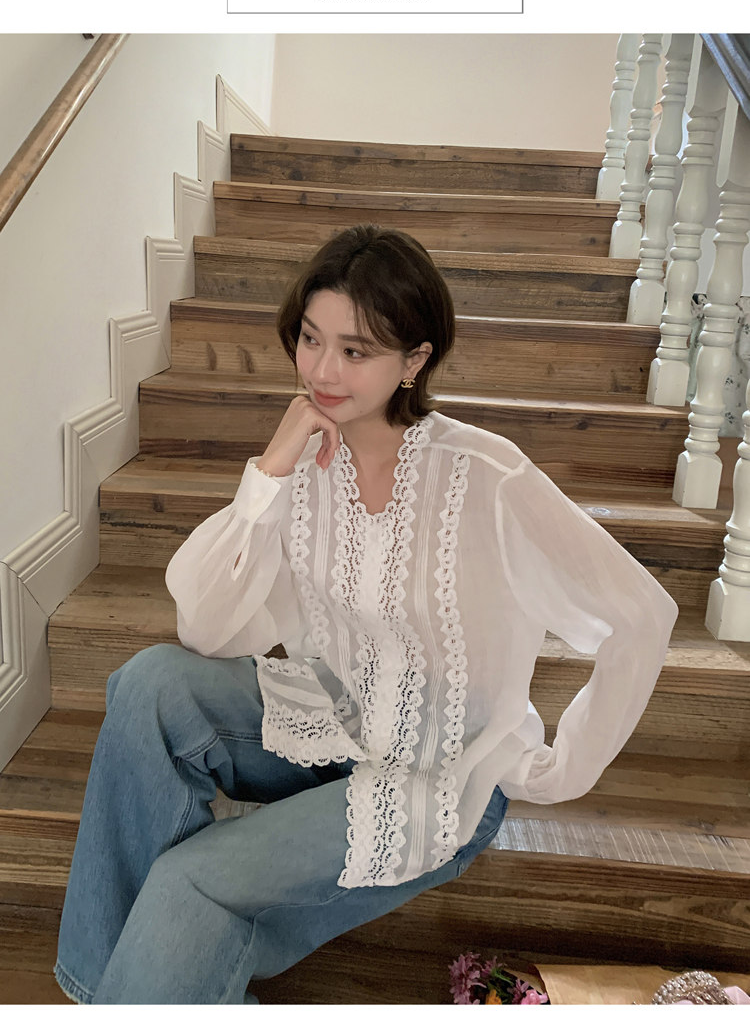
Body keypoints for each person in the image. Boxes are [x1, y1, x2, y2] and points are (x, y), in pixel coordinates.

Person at [54, 223, 679, 1005]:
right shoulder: (303, 460)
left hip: (438, 775)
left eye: (355, 351)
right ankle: (109, 990)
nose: (322, 371)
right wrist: (270, 470)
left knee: (191, 878)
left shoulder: (486, 476)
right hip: (334, 722)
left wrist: (557, 769)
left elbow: (641, 616)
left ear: (414, 360)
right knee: (148, 684)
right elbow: (204, 630)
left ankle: (145, 979)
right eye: (310, 339)